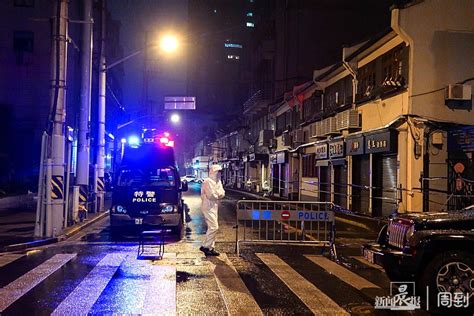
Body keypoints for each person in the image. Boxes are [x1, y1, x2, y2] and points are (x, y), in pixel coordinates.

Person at [200, 164, 225, 256]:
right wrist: (218, 194)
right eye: (217, 172)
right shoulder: (207, 181)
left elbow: (222, 193)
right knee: (214, 227)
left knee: (212, 227)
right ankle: (206, 246)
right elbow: (211, 196)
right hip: (207, 206)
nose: (219, 174)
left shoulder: (218, 181)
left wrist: (217, 194)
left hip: (214, 206)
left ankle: (210, 247)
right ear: (213, 171)